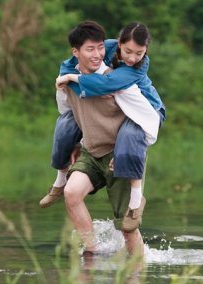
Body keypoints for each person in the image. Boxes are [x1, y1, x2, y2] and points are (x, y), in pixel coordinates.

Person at [39, 22, 166, 215]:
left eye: (139, 53)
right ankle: (60, 180)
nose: (132, 58)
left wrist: (73, 79)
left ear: (146, 50)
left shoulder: (140, 65)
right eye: (128, 51)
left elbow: (108, 84)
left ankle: (136, 198)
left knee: (129, 134)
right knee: (65, 123)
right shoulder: (105, 47)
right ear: (119, 43)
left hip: (148, 108)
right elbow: (68, 65)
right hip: (119, 102)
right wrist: (66, 78)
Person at [55, 21, 149, 256]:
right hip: (91, 151)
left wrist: (126, 153)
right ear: (75, 52)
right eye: (90, 49)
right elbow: (67, 113)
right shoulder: (68, 79)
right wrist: (76, 143)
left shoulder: (118, 80)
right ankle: (92, 255)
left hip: (118, 156)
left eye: (99, 48)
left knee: (127, 229)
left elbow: (142, 119)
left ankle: (136, 272)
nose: (97, 54)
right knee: (71, 193)